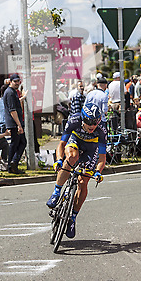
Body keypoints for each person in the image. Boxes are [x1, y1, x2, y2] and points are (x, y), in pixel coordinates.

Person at [46, 101, 106, 238]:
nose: (92, 126)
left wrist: (98, 172)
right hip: (76, 141)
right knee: (72, 157)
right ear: (83, 119)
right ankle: (56, 192)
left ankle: (72, 218)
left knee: (83, 181)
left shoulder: (102, 129)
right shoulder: (74, 120)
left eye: (95, 123)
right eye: (89, 122)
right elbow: (61, 144)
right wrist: (59, 160)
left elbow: (102, 157)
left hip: (92, 148)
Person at [3, 73, 27, 174]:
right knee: (18, 143)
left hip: (15, 123)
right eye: (15, 81)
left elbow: (15, 103)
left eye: (18, 81)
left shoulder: (12, 92)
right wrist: (19, 125)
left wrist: (23, 97)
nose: (17, 83)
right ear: (10, 82)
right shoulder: (10, 92)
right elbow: (12, 110)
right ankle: (12, 163)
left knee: (18, 143)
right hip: (14, 123)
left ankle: (13, 164)